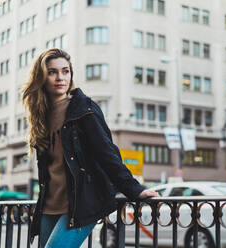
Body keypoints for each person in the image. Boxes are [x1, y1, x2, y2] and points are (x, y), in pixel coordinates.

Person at [22, 48, 159, 248]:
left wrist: (134, 189)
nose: (61, 77)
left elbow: (107, 153)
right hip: (49, 205)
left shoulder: (84, 109)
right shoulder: (41, 116)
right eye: (52, 72)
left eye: (65, 71)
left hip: (82, 204)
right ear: (42, 77)